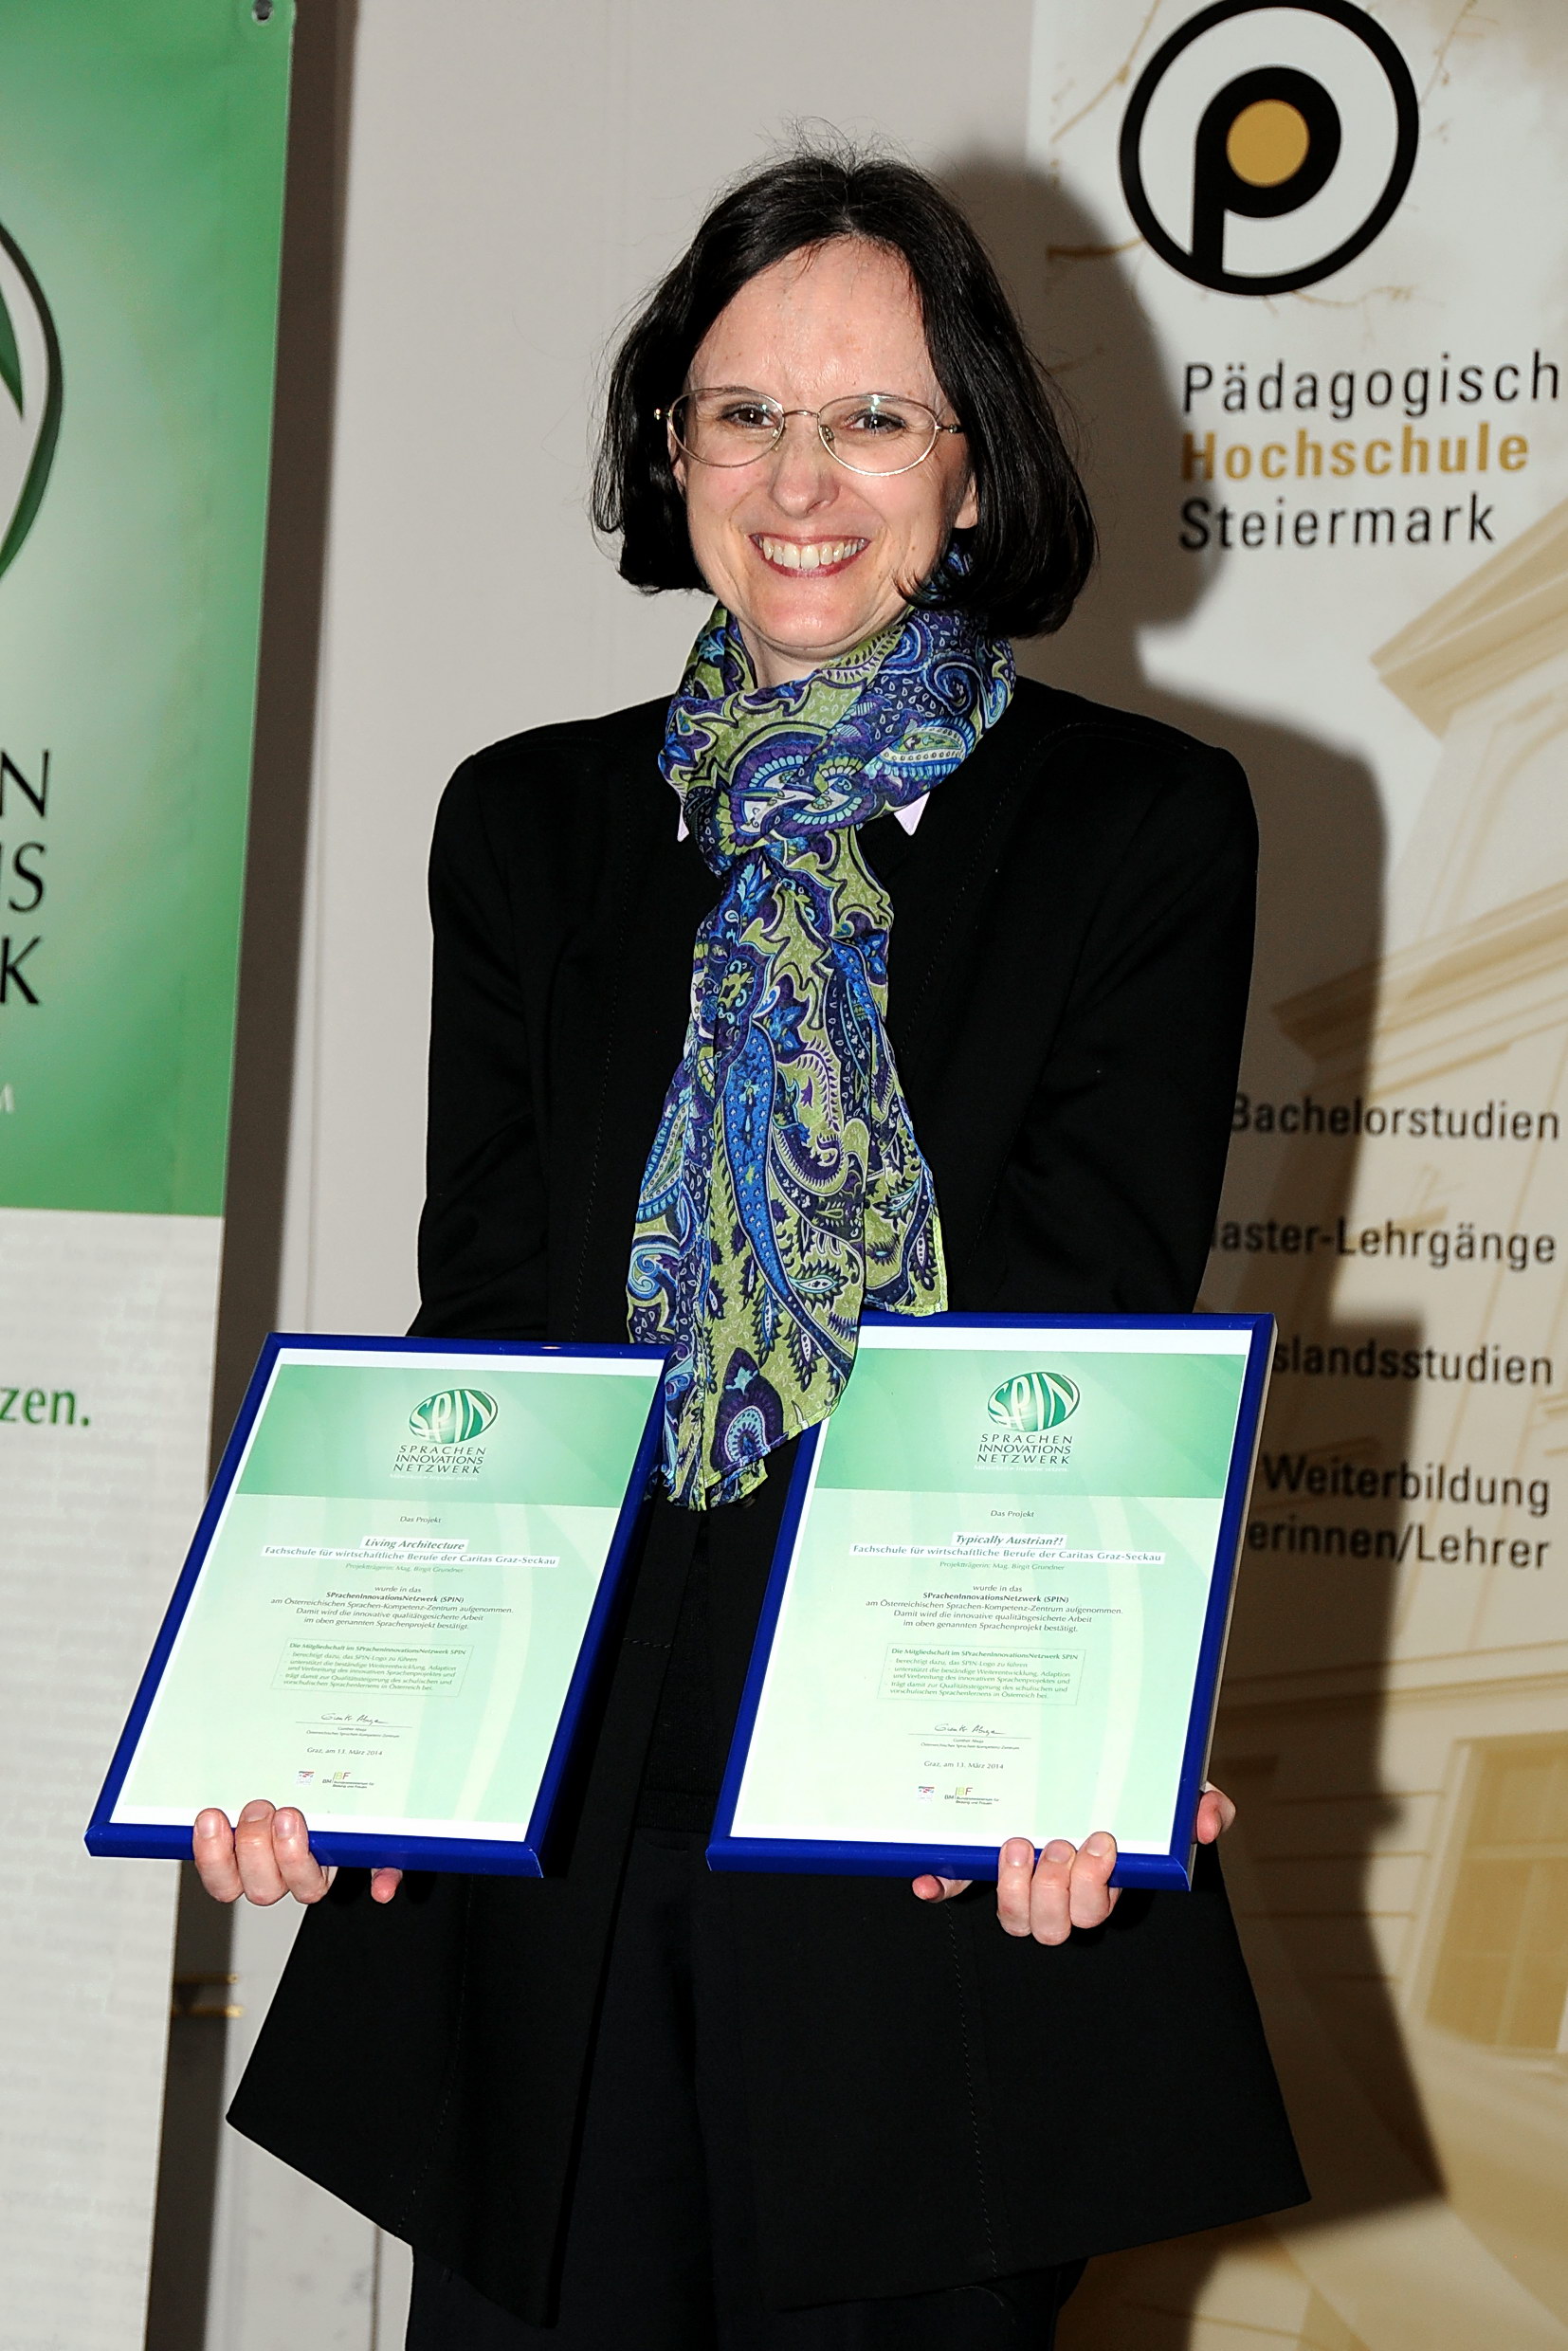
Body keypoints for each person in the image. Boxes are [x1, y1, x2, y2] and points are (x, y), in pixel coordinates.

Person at [199, 148, 1306, 2348]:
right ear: (671, 449)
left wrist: (1079, 1728)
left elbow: (1088, 1328)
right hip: (556, 1848)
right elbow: (489, 1325)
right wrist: (361, 1718)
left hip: (919, 1846)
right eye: (740, 414)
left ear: (972, 467)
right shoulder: (525, 823)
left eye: (872, 416)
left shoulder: (1138, 825)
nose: (799, 480)